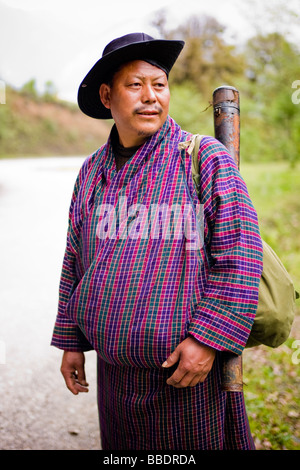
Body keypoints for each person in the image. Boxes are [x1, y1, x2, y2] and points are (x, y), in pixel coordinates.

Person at [51, 32, 263, 450]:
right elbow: (75, 258)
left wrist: (208, 340)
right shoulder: (92, 172)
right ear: (108, 96)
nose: (150, 97)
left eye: (159, 85)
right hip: (115, 379)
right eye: (135, 85)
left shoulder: (202, 159)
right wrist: (71, 341)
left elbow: (240, 258)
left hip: (185, 376)